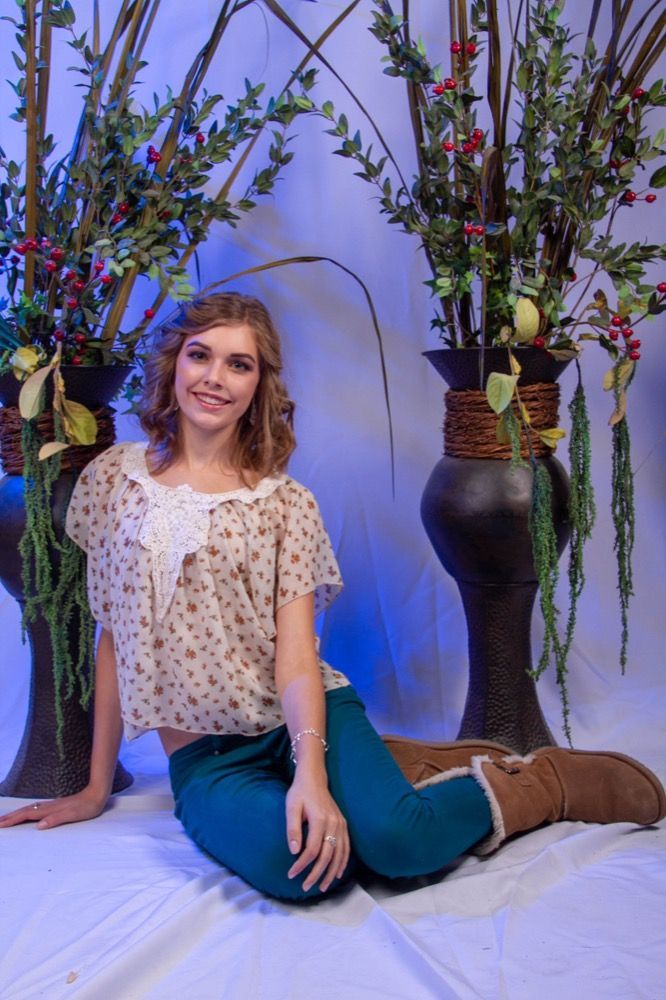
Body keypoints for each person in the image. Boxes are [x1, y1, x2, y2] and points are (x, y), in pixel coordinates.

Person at [1, 292, 664, 900]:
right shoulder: (114, 480)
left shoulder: (285, 505)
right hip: (206, 761)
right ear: (174, 363)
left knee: (401, 846)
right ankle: (402, 767)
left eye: (239, 364)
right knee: (310, 872)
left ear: (259, 384)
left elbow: (295, 660)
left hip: (304, 724)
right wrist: (93, 786)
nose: (213, 377)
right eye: (200, 355)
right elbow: (114, 637)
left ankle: (543, 784)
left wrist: (311, 775)